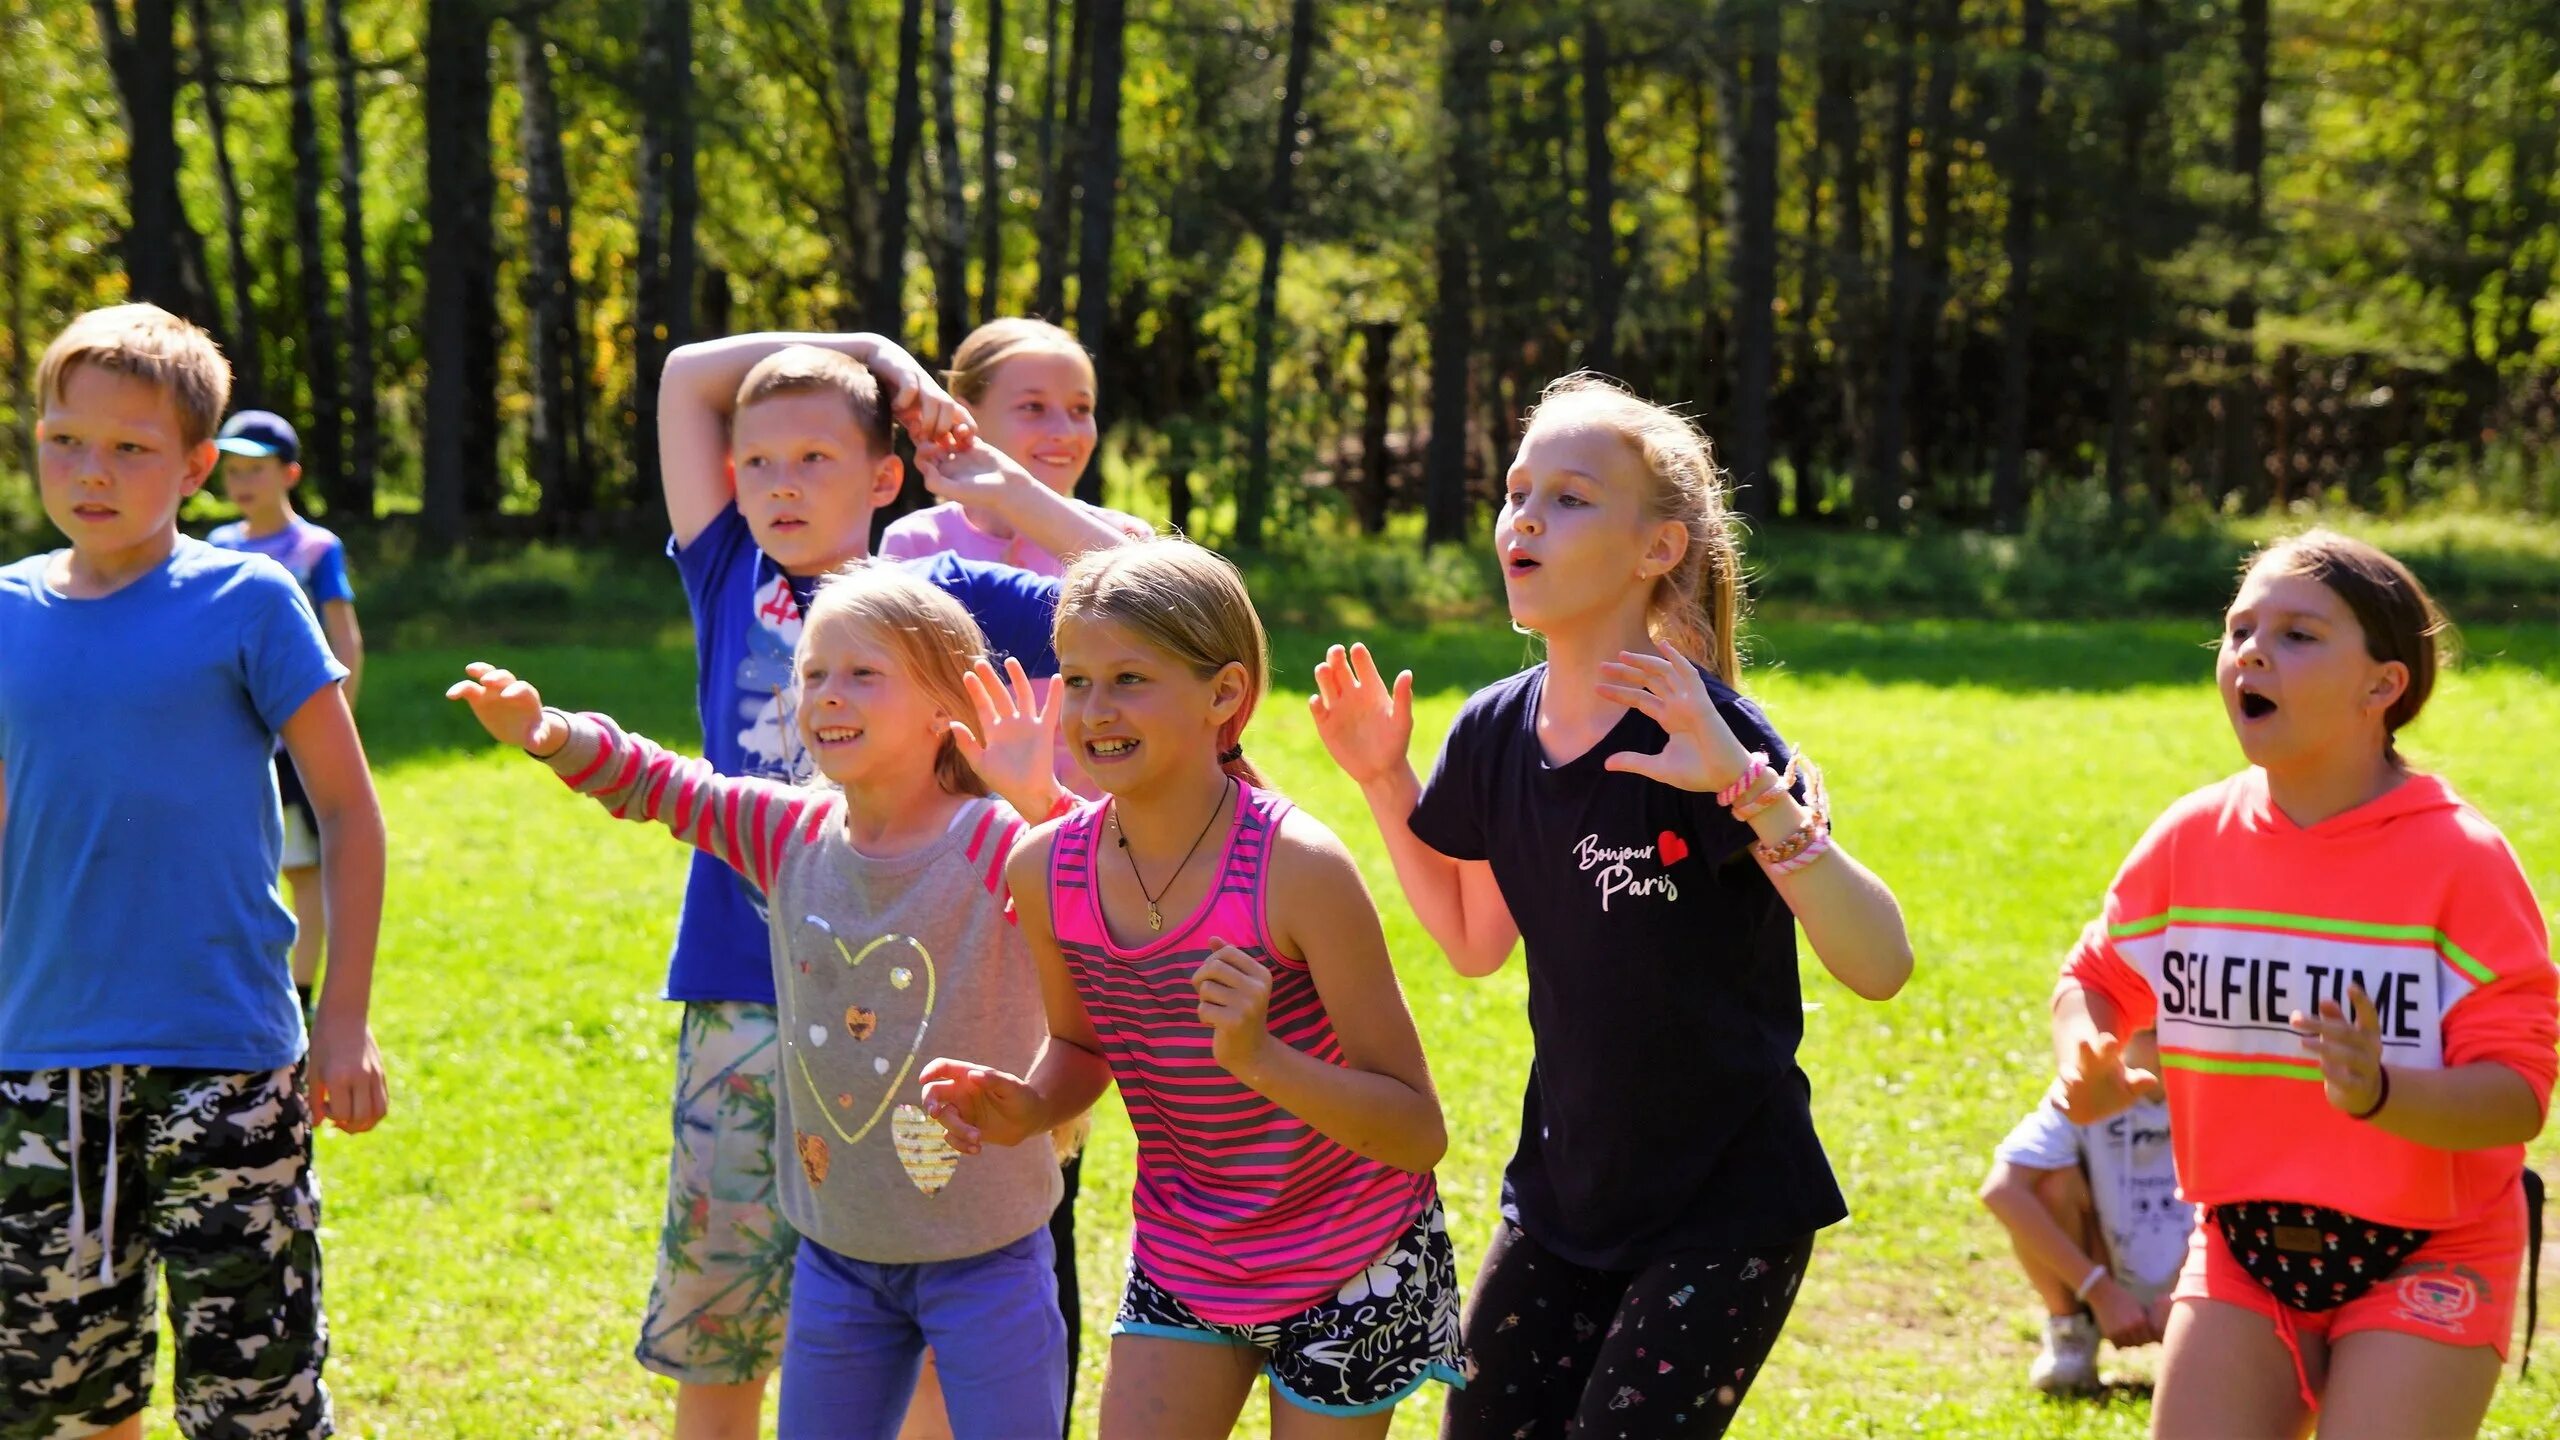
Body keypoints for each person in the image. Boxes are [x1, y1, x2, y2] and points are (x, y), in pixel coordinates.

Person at [1307, 373, 1914, 1436]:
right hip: (1560, 1195)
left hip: (1727, 1210)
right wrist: (1381, 780)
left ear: (1657, 549)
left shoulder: (1714, 736)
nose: (1525, 517)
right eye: (1515, 491)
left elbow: (1880, 964)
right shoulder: (1492, 733)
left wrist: (1748, 786)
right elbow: (1471, 940)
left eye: (1571, 497)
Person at [448, 559, 1088, 1438]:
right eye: (814, 672)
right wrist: (548, 731)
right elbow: (665, 786)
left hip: (989, 1254)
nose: (828, 693)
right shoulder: (789, 832)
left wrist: (1037, 793)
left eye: (864, 673)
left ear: (948, 707)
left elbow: (1099, 882)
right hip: (838, 1257)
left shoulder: (995, 839)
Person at [647, 330, 1131, 1439]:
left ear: (881, 477)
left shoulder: (940, 593)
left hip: (928, 998)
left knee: (916, 1290)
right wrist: (869, 351)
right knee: (721, 1305)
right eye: (757, 462)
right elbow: (685, 376)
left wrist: (1005, 484)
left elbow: (1150, 584)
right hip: (741, 982)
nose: (778, 484)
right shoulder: (727, 569)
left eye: (816, 458)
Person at [923, 539, 1464, 1434]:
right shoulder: (1044, 869)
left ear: (1225, 694)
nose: (1096, 710)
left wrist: (1259, 1058)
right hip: (1187, 1253)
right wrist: (1026, 1108)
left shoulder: (1299, 869)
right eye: (1080, 679)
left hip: (1356, 1255)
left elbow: (1417, 1131)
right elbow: (1081, 1045)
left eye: (1130, 679)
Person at [2053, 530, 2555, 1439]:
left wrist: (2381, 1092)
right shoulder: (2190, 839)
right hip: (2243, 1248)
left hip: (2431, 1251)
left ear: (2382, 686)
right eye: (2241, 628)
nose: (2251, 650)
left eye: (2298, 634)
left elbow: (2517, 1098)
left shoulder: (2462, 861)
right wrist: (2081, 1059)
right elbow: (2094, 978)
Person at [0, 303, 389, 1439]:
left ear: (197, 466)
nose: (92, 471)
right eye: (65, 439)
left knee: (254, 1407)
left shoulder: (249, 600)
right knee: (63, 1404)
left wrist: (347, 1018)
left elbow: (351, 816)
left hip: (225, 1062)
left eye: (131, 448)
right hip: (36, 1070)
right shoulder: (7, 609)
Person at [209, 408, 364, 1020]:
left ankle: (299, 995)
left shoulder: (316, 548)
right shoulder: (218, 548)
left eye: (257, 470)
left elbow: (343, 638)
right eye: (234, 470)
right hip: (234, 743)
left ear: (290, 474)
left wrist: (331, 728)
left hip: (294, 743)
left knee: (304, 869)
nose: (243, 483)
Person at [1980, 1030, 2192, 1394]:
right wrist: (2101, 1292)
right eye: (2146, 1025)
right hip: (2103, 1273)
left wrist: (2182, 1289)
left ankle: (2210, 1335)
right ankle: (2072, 1333)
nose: (2160, 1032)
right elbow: (2002, 1189)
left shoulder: (2220, 1090)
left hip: (2196, 1281)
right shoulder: (2089, 1088)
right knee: (2050, 1182)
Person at [879, 316, 1151, 576]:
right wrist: (872, 347)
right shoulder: (917, 544)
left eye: (1081, 409)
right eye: (1033, 407)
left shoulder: (1126, 539)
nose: (1066, 432)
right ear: (965, 416)